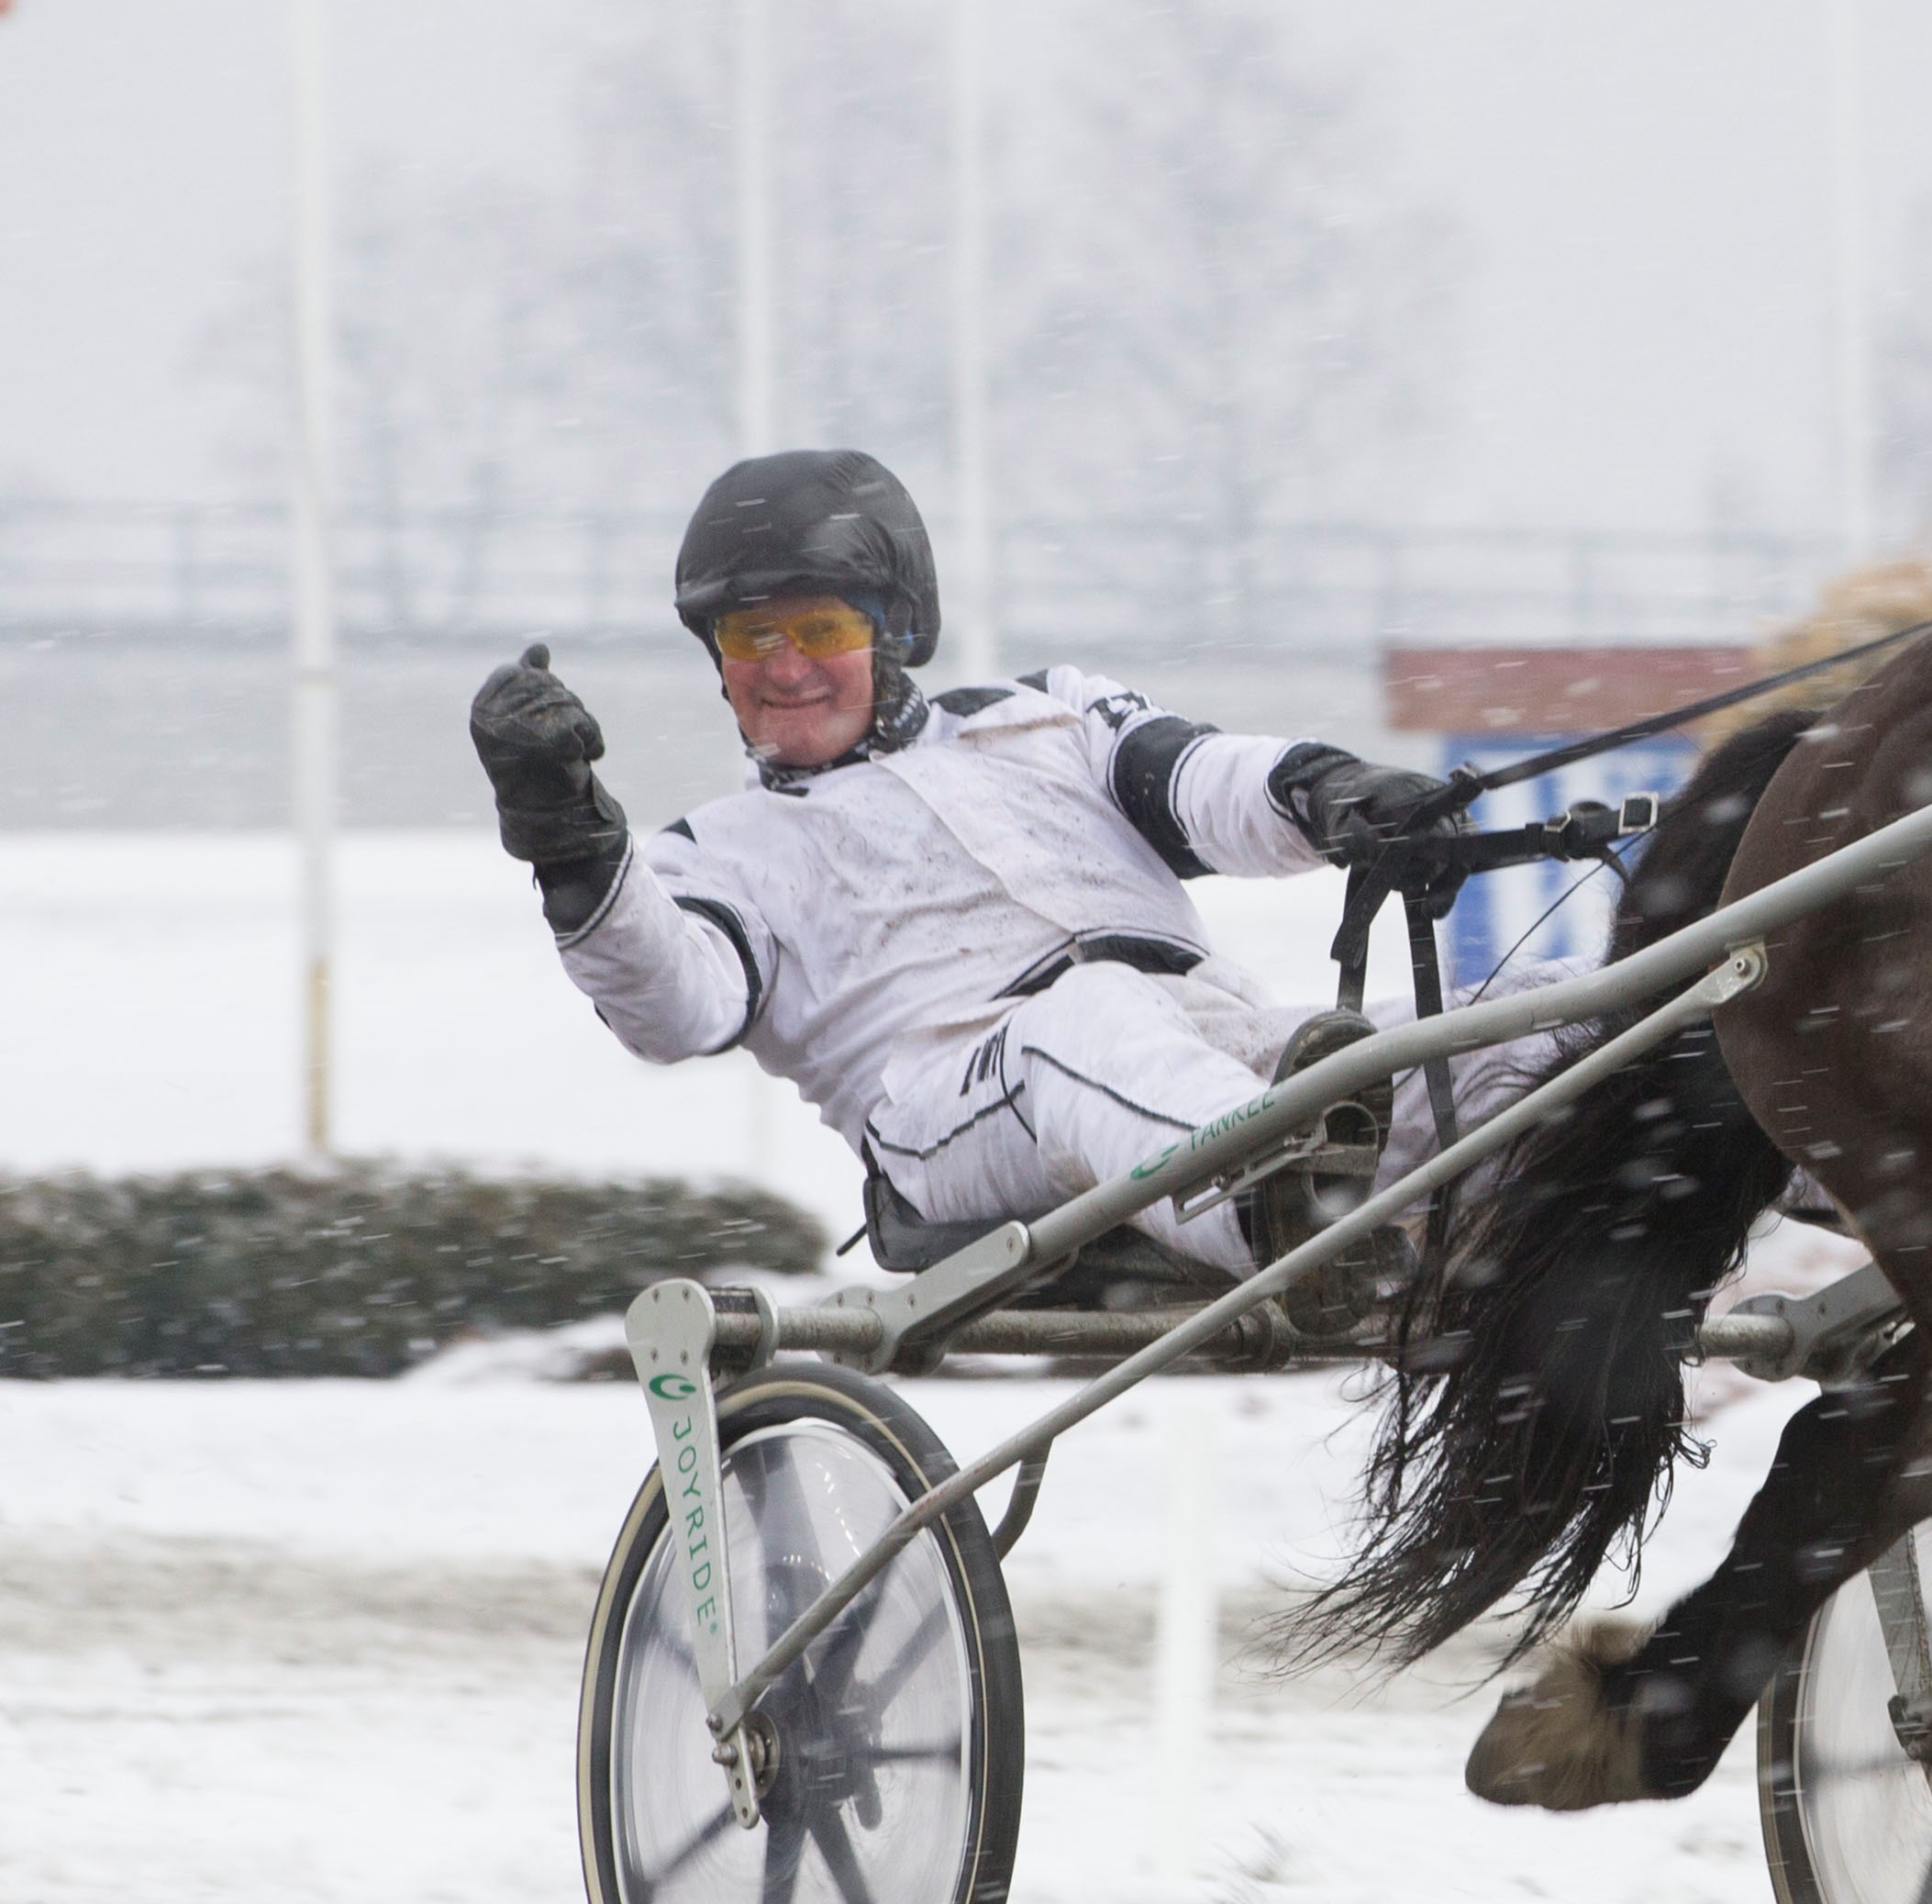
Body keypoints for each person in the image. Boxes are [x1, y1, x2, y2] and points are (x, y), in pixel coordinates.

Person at [468, 448, 1578, 1282]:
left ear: (892, 629)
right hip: (962, 1111)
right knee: (1085, 1021)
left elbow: (1201, 782)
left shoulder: (1046, 712)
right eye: (752, 640)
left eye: (818, 628)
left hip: (1218, 1049)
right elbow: (670, 1007)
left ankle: (1640, 1202)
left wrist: (1330, 791)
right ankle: (1285, 1225)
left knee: (1549, 1016)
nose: (787, 666)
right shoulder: (715, 853)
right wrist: (568, 835)